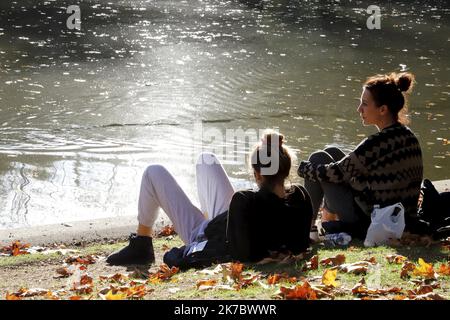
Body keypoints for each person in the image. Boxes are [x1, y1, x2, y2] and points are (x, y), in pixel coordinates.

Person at [107, 131, 313, 266]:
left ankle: (141, 243)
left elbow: (232, 253)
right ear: (286, 171)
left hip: (210, 236)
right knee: (206, 159)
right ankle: (200, 222)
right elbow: (301, 243)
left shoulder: (244, 201)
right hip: (229, 224)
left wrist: (182, 254)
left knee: (153, 172)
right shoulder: (301, 197)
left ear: (258, 175)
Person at [297, 72, 423, 239]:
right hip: (401, 217)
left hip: (375, 223)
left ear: (383, 109)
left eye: (364, 104)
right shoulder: (407, 135)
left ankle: (305, 231)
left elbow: (337, 173)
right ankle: (317, 224)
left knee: (317, 159)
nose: (359, 109)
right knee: (333, 151)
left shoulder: (376, 144)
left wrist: (302, 169)